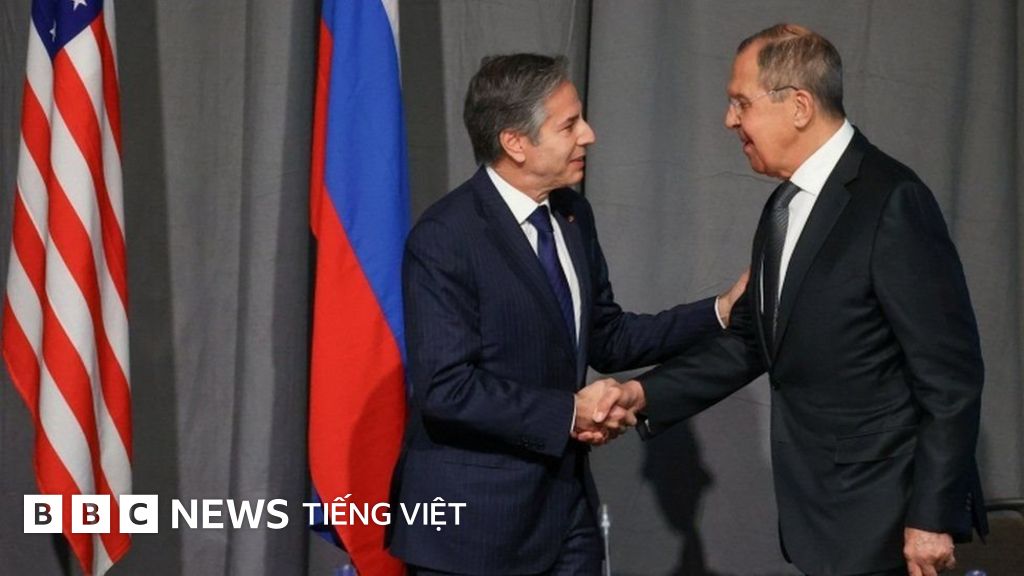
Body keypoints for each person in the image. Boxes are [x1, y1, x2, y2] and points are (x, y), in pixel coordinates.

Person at [597, 24, 987, 576]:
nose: (729, 120)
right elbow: (754, 344)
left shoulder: (893, 201)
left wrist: (931, 516)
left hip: (888, 521)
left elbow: (950, 378)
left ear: (799, 106)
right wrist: (641, 394)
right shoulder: (783, 207)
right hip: (820, 518)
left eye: (741, 103)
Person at [387, 53, 746, 575]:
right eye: (569, 124)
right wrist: (568, 414)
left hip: (565, 514)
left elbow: (607, 336)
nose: (589, 135)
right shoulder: (446, 238)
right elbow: (447, 389)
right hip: (475, 531)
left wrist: (719, 311)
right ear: (515, 142)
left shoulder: (573, 214)